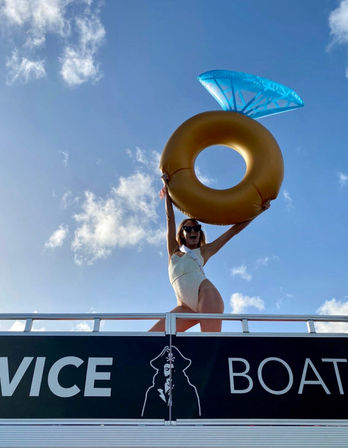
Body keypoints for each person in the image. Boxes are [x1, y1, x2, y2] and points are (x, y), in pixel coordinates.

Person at [149, 176, 270, 333]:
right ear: (182, 234)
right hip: (184, 306)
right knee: (152, 337)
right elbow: (169, 219)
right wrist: (167, 189)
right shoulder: (173, 250)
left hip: (206, 295)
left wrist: (259, 211)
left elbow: (233, 231)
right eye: (188, 229)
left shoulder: (205, 251)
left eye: (197, 228)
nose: (193, 231)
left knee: (209, 344)